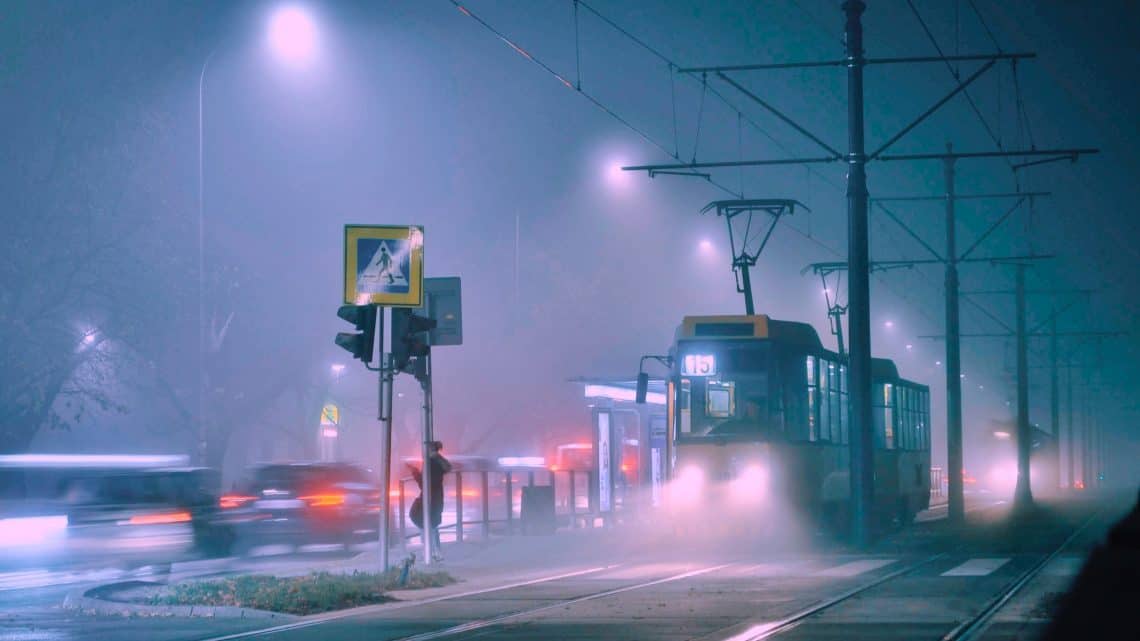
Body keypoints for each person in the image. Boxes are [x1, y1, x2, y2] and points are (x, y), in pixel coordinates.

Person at [408, 441, 452, 560]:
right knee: (432, 524)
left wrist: (414, 472)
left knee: (421, 519)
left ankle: (431, 552)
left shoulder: (430, 463)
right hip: (436, 498)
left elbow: (424, 483)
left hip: (429, 499)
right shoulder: (437, 462)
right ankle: (435, 551)